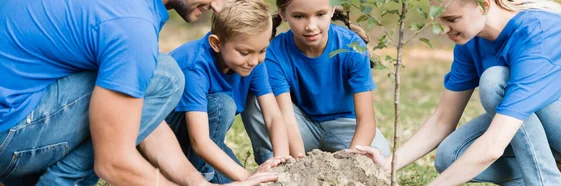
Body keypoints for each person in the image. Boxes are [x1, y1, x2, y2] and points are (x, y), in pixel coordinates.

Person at [0, 0, 278, 185]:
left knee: (150, 76)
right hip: (8, 134)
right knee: (164, 75)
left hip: (19, 109)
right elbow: (113, 162)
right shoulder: (132, 25)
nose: (218, 4)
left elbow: (137, 115)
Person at [352, 0, 561, 185]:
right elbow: (442, 120)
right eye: (439, 19)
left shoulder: (537, 34)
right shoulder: (471, 39)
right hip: (558, 123)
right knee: (451, 157)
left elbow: (493, 146)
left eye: (452, 19)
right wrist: (388, 165)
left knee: (495, 80)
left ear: (484, 4)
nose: (444, 29)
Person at [241, 0, 391, 165]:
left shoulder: (352, 47)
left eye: (320, 14)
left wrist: (353, 161)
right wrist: (300, 166)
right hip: (301, 126)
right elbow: (287, 118)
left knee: (379, 156)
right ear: (283, 14)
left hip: (345, 126)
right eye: (299, 16)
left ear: (332, 10)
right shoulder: (274, 52)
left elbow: (366, 120)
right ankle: (276, 164)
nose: (311, 26)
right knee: (257, 100)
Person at [165, 0, 291, 184]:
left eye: (262, 50)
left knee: (249, 178)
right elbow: (199, 142)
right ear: (216, 43)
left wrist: (280, 160)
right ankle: (201, 178)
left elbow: (273, 116)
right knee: (221, 105)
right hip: (168, 142)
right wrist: (247, 176)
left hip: (205, 142)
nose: (254, 60)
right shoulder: (195, 67)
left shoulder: (253, 62)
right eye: (244, 52)